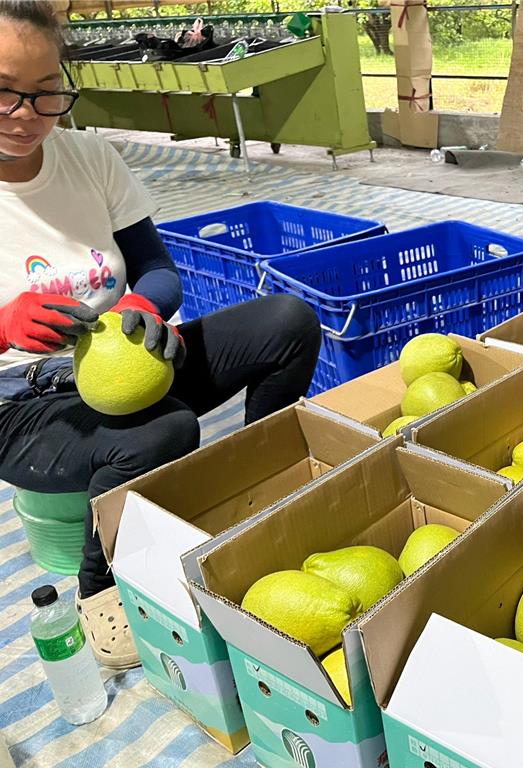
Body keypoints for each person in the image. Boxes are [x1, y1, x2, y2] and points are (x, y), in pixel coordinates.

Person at [0, 1, 321, 669]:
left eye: (46, 94)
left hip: (126, 358)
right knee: (165, 430)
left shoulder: (86, 159)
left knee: (288, 322)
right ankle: (101, 589)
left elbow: (156, 268)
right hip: (21, 401)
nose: (26, 114)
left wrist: (145, 305)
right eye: (3, 91)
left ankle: (259, 493)